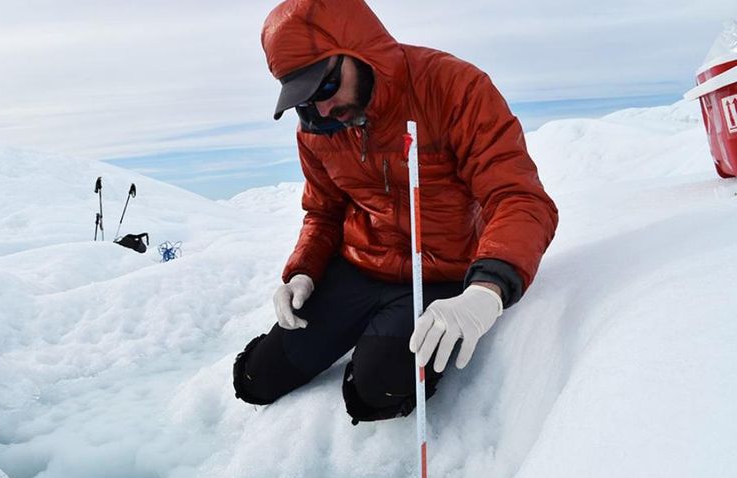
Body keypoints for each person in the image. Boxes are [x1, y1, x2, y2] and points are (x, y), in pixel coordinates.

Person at [233, 0, 558, 424]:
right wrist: (303, 272)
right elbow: (323, 210)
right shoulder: (316, 129)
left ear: (359, 50)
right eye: (305, 99)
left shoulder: (453, 87)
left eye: (325, 87)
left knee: (375, 390)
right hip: (362, 266)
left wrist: (486, 291)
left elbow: (519, 198)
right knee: (255, 379)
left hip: (442, 272)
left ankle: (384, 348)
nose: (323, 110)